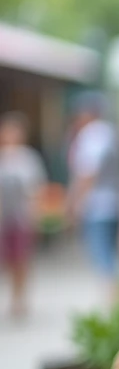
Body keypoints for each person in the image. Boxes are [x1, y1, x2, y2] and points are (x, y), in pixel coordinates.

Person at [67, 92, 119, 298]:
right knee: (110, 255)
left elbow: (88, 172)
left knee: (104, 258)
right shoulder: (108, 132)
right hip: (113, 202)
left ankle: (114, 301)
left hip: (98, 206)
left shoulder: (93, 134)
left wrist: (74, 202)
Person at [0, 111, 48, 318]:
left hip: (21, 218)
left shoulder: (29, 159)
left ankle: (18, 299)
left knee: (21, 261)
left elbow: (37, 190)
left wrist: (36, 216)